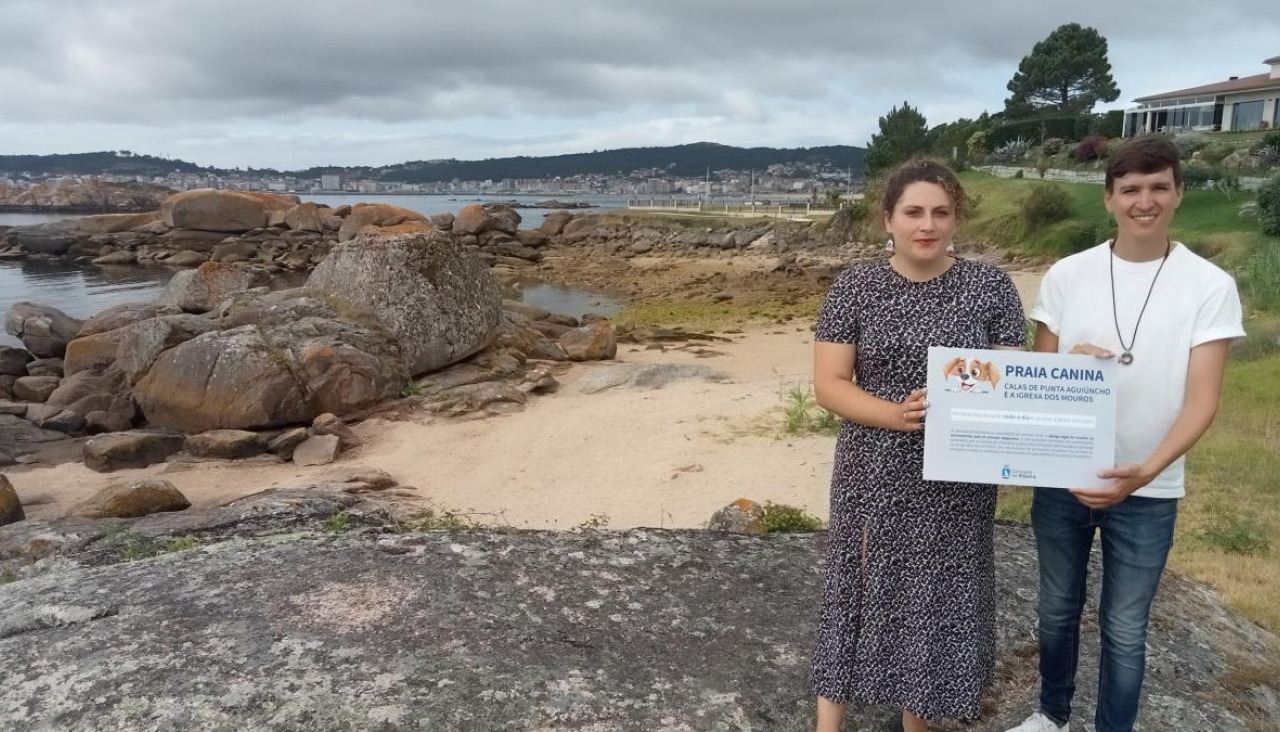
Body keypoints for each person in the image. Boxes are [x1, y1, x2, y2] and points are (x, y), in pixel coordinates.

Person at [1007, 135, 1245, 732]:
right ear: (1109, 199)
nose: (1146, 201)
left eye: (1159, 187)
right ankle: (1050, 715)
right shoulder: (1067, 274)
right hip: (1064, 479)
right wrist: (1071, 364)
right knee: (1057, 611)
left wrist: (1146, 470)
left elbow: (1202, 399)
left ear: (1179, 194)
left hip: (1149, 487)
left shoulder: (1209, 285)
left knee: (1125, 627)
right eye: (1132, 190)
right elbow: (1038, 379)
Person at [812, 157, 1027, 732]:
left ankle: (917, 723)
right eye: (913, 212)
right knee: (855, 589)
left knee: (933, 601)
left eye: (940, 212)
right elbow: (829, 385)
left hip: (958, 477)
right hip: (871, 471)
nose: (926, 224)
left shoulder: (990, 287)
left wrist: (1073, 372)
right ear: (888, 218)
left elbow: (1013, 379)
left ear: (957, 219)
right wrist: (893, 414)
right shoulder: (855, 286)